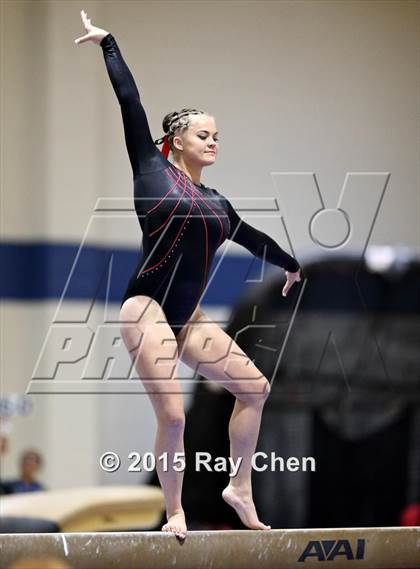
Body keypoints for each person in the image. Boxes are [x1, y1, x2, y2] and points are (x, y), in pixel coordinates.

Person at [75, 9, 301, 540]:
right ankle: (173, 510)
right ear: (176, 140)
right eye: (204, 133)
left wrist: (289, 264)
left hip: (188, 318)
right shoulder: (150, 171)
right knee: (174, 417)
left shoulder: (219, 204)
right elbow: (129, 102)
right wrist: (109, 43)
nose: (214, 140)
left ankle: (238, 487)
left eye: (218, 134)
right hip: (146, 309)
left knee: (255, 388)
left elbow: (251, 237)